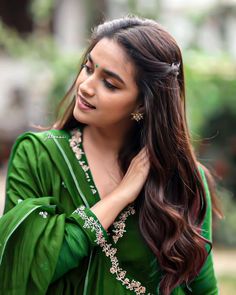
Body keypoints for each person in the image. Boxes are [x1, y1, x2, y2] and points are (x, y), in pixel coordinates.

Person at [0, 16, 221, 295]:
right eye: (88, 68)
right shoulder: (38, 156)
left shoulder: (182, 179)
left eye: (110, 84)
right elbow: (24, 270)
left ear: (143, 101)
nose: (86, 86)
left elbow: (203, 288)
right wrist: (120, 196)